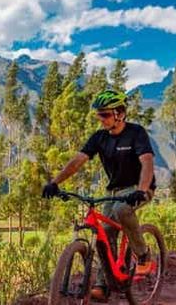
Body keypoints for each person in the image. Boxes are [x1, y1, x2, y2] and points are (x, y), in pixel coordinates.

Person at [41, 88, 155, 301]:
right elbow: (77, 161)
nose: (100, 118)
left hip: (140, 187)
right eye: (98, 114)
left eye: (104, 114)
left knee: (122, 210)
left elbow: (147, 162)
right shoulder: (99, 138)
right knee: (104, 233)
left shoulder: (136, 133)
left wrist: (141, 190)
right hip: (113, 190)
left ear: (119, 113)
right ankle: (103, 285)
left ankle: (142, 255)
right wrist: (54, 183)